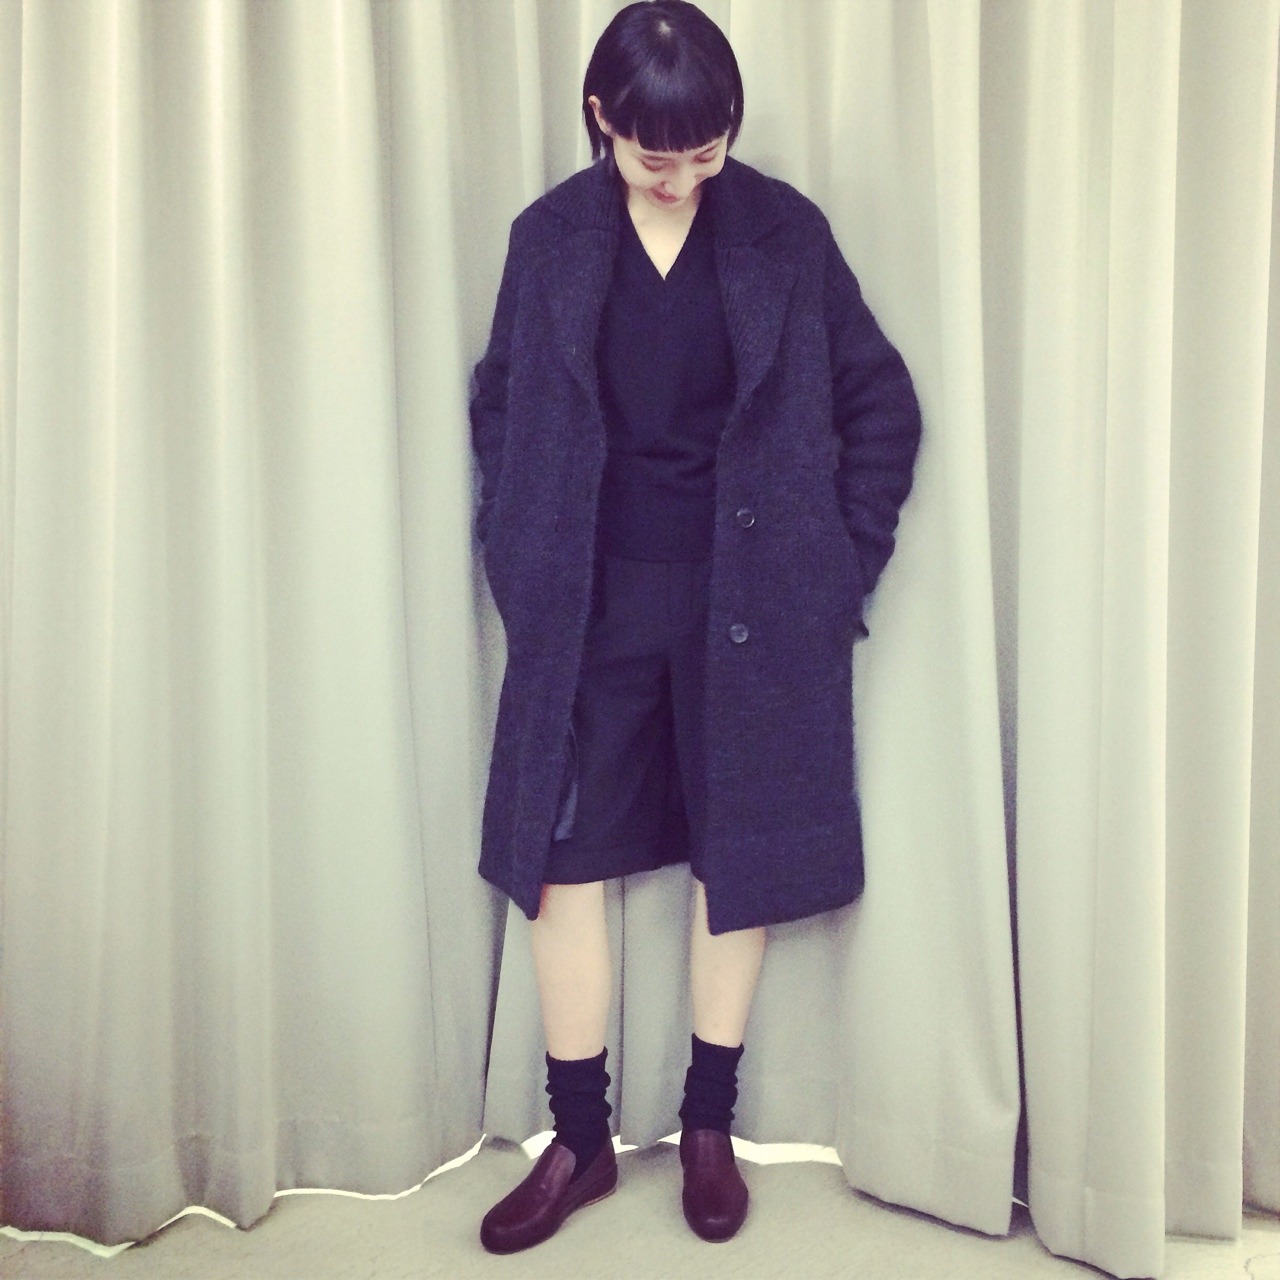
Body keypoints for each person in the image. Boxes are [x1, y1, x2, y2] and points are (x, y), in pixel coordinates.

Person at [469, 0, 920, 1254]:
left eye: (705, 153)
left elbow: (881, 404)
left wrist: (835, 571)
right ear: (600, 119)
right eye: (652, 156)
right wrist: (517, 543)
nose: (679, 180)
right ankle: (577, 1138)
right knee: (558, 859)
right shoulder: (549, 240)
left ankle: (708, 1123)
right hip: (586, 605)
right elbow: (500, 402)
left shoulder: (784, 233)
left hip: (751, 608)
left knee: (739, 852)